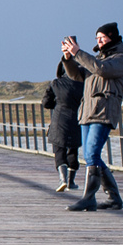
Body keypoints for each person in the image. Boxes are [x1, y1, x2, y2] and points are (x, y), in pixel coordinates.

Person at [63, 22, 123, 211]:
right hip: (88, 112)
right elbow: (78, 75)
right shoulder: (97, 59)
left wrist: (78, 53)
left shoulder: (121, 59)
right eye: (97, 39)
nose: (99, 42)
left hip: (104, 112)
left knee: (92, 153)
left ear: (113, 37)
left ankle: (89, 198)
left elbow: (101, 69)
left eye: (102, 38)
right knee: (90, 155)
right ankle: (114, 198)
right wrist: (68, 58)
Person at [41, 57, 85, 192]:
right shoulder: (84, 84)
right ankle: (71, 181)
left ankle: (63, 179)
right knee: (73, 150)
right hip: (78, 118)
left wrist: (57, 103)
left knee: (59, 149)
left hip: (60, 119)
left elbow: (46, 103)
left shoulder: (56, 83)